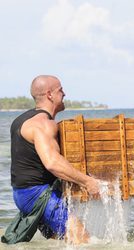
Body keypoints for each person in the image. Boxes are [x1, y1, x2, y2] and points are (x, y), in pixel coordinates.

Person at [5, 75, 100, 244]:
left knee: (61, 242)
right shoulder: (43, 124)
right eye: (60, 90)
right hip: (38, 195)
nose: (64, 93)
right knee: (85, 242)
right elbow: (52, 163)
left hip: (21, 194)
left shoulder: (21, 120)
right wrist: (87, 182)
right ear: (50, 94)